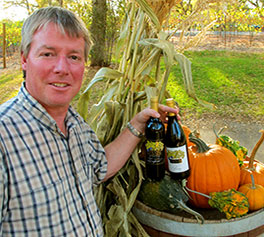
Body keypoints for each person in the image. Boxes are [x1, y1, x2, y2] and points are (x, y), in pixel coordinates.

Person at [0, 6, 179, 236]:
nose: (62, 68)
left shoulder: (75, 123)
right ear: (25, 60)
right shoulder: (5, 138)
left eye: (73, 57)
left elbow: (99, 168)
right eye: (48, 54)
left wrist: (138, 124)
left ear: (84, 64)